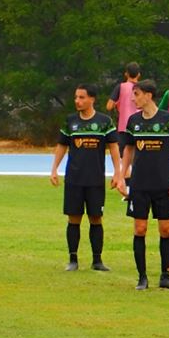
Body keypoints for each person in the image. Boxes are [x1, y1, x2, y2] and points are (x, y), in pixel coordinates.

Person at [120, 79, 169, 290]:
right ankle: (142, 277)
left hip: (163, 185)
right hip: (139, 185)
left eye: (136, 94)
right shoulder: (133, 121)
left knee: (166, 230)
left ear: (148, 95)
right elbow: (128, 149)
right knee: (140, 229)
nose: (133, 99)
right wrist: (121, 175)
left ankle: (166, 276)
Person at [50, 84, 123, 272]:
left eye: (81, 97)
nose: (77, 101)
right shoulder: (70, 121)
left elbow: (114, 147)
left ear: (92, 99)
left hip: (95, 180)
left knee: (96, 218)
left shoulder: (104, 121)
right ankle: (73, 259)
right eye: (76, 97)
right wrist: (54, 169)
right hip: (74, 179)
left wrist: (118, 172)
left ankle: (97, 260)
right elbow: (62, 145)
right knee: (73, 219)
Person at [106, 61, 142, 153]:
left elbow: (109, 106)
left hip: (124, 127)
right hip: (141, 126)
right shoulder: (143, 88)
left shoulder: (120, 87)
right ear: (139, 75)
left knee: (124, 156)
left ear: (126, 74)